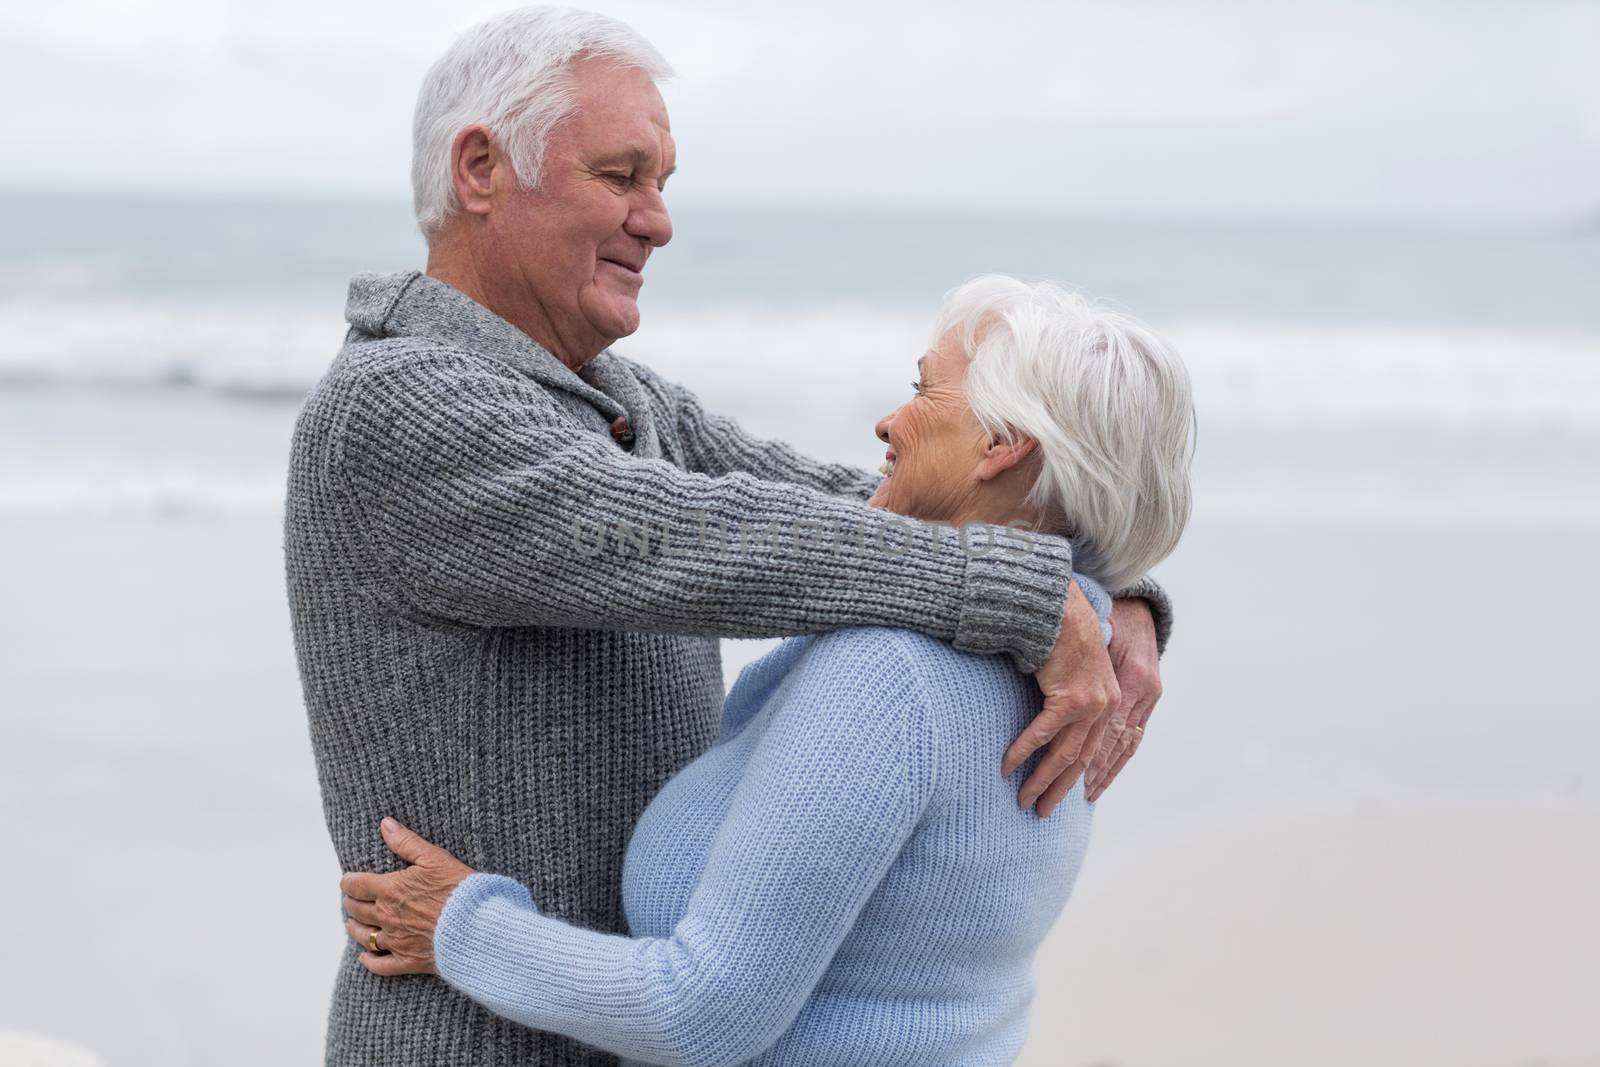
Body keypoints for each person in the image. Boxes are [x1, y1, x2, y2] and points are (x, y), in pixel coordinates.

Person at [284, 8, 1172, 1064]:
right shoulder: (398, 407)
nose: (657, 221)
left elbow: (867, 507)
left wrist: (1115, 591)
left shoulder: (618, 398)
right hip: (469, 1038)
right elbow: (690, 537)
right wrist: (1032, 592)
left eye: (662, 183)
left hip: (624, 1021)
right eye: (622, 177)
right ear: (480, 168)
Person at [337, 276, 1195, 1065]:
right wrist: (1107, 583)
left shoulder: (895, 675)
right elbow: (769, 512)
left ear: (1005, 444)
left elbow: (700, 1010)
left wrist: (462, 924)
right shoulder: (1070, 663)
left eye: (924, 389)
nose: (888, 424)